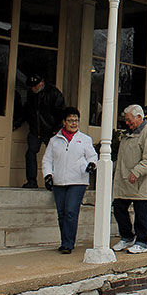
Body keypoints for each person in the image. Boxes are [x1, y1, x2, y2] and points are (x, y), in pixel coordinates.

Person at [41, 107, 98, 254]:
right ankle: (64, 241)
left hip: (78, 181)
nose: (74, 123)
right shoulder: (54, 140)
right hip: (59, 181)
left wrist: (92, 164)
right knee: (62, 213)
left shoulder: (84, 139)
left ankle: (68, 243)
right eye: (70, 120)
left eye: (76, 120)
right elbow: (47, 160)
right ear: (64, 122)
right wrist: (48, 175)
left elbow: (92, 156)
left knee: (71, 212)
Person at [112, 104, 147, 254]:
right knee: (118, 207)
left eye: (129, 119)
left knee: (141, 212)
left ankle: (142, 242)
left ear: (139, 117)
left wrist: (137, 172)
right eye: (125, 120)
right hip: (125, 181)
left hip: (141, 182)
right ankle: (127, 237)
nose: (127, 123)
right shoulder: (127, 134)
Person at [16, 73, 65, 188]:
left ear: (41, 83)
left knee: (55, 156)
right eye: (32, 87)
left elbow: (61, 112)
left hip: (50, 130)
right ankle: (32, 181)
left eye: (35, 86)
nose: (33, 89)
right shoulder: (31, 94)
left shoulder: (53, 93)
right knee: (30, 153)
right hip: (35, 130)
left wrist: (56, 128)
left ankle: (56, 181)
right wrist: (17, 123)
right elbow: (27, 111)